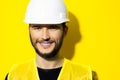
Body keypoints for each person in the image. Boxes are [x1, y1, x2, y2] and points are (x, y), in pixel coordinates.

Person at [5, 0, 93, 80]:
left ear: (65, 31)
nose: (45, 36)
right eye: (37, 28)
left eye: (53, 27)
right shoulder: (14, 76)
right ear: (29, 31)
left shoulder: (84, 76)